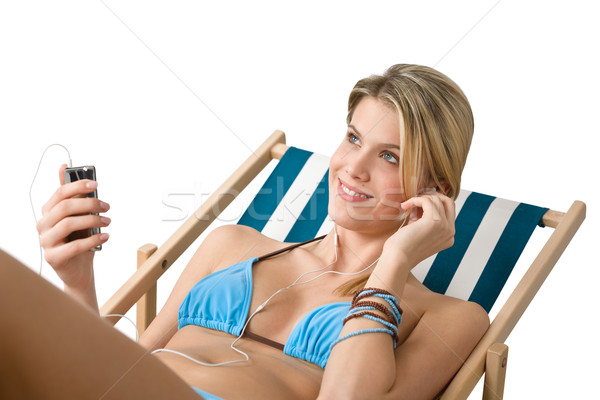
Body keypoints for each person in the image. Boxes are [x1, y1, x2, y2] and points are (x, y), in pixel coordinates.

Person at [0, 64, 489, 399]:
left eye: (389, 156)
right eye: (353, 138)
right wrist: (78, 281)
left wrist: (394, 263)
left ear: (434, 188)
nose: (351, 168)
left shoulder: (449, 317)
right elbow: (119, 368)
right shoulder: (232, 243)